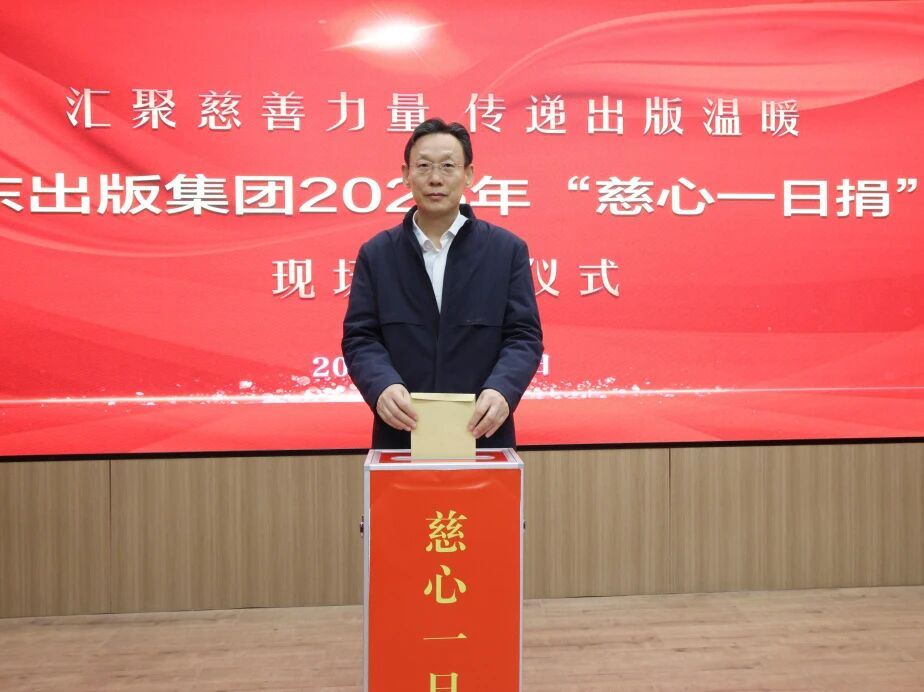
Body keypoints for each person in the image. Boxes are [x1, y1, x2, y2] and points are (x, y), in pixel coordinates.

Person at [342, 118, 543, 449]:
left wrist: (502, 390)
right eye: (423, 166)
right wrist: (382, 386)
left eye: (448, 166)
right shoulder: (377, 254)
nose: (435, 178)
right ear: (406, 174)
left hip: (483, 432)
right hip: (401, 434)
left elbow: (524, 337)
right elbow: (361, 338)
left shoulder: (506, 251)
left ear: (469, 175)